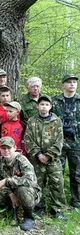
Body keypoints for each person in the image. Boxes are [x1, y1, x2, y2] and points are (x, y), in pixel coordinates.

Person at [0, 137, 41, 231]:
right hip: (10, 193)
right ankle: (7, 211)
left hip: (29, 192)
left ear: (14, 147)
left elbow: (30, 180)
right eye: (3, 148)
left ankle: (28, 217)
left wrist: (7, 180)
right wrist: (10, 194)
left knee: (21, 190)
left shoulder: (22, 160)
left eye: (8, 148)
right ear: (0, 149)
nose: (6, 151)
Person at [24, 95, 66, 219]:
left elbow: (59, 141)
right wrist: (38, 154)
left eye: (47, 104)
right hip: (36, 160)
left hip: (53, 160)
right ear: (38, 106)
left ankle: (57, 209)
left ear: (50, 106)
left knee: (57, 184)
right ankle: (38, 207)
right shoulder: (32, 121)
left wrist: (48, 155)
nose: (44, 107)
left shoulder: (56, 121)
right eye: (42, 104)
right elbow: (28, 139)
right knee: (37, 184)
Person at [52, 74, 80, 208]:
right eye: (69, 82)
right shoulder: (55, 101)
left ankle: (77, 201)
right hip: (59, 144)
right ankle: (58, 202)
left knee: (77, 173)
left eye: (74, 82)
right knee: (58, 173)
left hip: (77, 143)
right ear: (63, 85)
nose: (72, 84)